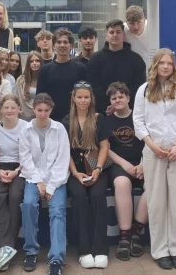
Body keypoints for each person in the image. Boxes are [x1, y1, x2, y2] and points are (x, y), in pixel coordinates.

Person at [134, 49, 176, 270]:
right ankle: (160, 250)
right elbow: (138, 122)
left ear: (174, 66)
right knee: (157, 202)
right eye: (162, 63)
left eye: (170, 63)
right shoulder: (144, 90)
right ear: (155, 65)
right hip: (153, 153)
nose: (166, 67)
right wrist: (152, 145)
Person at [19, 93, 70, 275]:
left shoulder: (59, 129)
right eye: (39, 110)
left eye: (46, 110)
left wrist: (50, 186)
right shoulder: (25, 130)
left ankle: (56, 258)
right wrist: (39, 182)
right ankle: (31, 251)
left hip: (57, 179)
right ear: (33, 109)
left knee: (57, 211)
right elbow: (25, 159)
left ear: (51, 110)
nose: (42, 114)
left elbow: (62, 160)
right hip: (33, 177)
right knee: (28, 205)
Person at [63, 81, 111, 269]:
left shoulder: (99, 119)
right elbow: (64, 150)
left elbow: (105, 146)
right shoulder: (66, 121)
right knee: (80, 197)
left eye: (86, 97)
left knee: (99, 196)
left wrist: (98, 169)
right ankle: (84, 249)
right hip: (75, 171)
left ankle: (100, 249)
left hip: (97, 169)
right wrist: (75, 173)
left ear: (91, 99)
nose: (83, 100)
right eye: (80, 97)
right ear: (73, 99)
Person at [102, 82, 148, 261]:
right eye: (114, 98)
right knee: (122, 183)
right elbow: (107, 148)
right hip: (119, 165)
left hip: (143, 163)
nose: (117, 100)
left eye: (121, 97)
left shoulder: (140, 117)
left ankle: (136, 232)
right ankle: (124, 236)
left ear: (129, 98)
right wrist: (125, 165)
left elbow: (148, 142)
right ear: (110, 102)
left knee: (153, 185)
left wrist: (143, 164)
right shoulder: (107, 121)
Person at [0, 94, 29, 270]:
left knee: (14, 197)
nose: (10, 111)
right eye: (6, 107)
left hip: (20, 168)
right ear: (1, 110)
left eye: (13, 107)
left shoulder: (27, 127)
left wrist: (15, 172)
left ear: (19, 109)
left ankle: (8, 247)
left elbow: (29, 156)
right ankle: (2, 250)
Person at [88, 20, 147, 115]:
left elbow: (139, 87)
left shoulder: (136, 60)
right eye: (111, 32)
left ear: (124, 35)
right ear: (106, 36)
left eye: (118, 32)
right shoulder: (95, 59)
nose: (115, 35)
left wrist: (122, 106)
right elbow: (94, 87)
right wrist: (111, 106)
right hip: (103, 113)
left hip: (130, 114)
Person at [37, 28, 87, 121]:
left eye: (65, 42)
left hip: (75, 118)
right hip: (52, 120)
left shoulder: (80, 68)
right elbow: (40, 97)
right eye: (59, 42)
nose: (62, 45)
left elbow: (85, 95)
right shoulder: (45, 69)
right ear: (54, 45)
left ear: (71, 45)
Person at [15, 52, 43, 121]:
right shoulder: (21, 80)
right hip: (23, 116)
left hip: (41, 116)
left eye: (37, 61)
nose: (34, 63)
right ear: (28, 64)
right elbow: (16, 98)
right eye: (31, 61)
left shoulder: (45, 79)